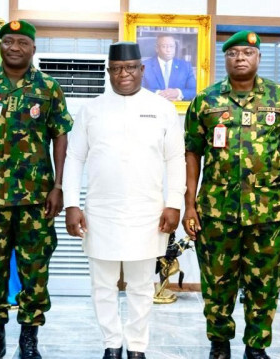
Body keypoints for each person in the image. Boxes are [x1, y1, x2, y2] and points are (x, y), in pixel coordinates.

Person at [182, 30, 280, 359]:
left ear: (258, 58)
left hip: (269, 212)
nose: (240, 58)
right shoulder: (206, 101)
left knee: (264, 284)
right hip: (216, 212)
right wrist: (190, 205)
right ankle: (219, 345)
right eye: (233, 53)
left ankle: (256, 348)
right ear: (224, 59)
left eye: (247, 53)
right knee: (217, 283)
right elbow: (192, 154)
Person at [0, 20, 73, 359]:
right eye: (9, 41)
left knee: (35, 269)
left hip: (36, 198)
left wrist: (59, 185)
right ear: (1, 45)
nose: (15, 47)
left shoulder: (48, 88)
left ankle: (29, 339)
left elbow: (60, 136)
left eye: (22, 42)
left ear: (33, 48)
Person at [63, 41, 186, 359]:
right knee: (102, 285)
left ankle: (137, 347)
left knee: (141, 285)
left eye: (130, 67)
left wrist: (174, 203)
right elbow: (74, 159)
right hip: (101, 212)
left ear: (142, 70)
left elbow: (176, 160)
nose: (124, 74)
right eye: (116, 68)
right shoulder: (91, 109)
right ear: (108, 71)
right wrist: (71, 204)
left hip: (147, 212)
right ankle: (111, 344)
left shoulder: (162, 109)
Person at [142, 33, 197, 101]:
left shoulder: (185, 66)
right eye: (164, 46)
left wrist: (178, 93)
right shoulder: (144, 66)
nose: (168, 50)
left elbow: (194, 91)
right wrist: (157, 93)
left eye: (171, 46)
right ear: (157, 48)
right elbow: (138, 90)